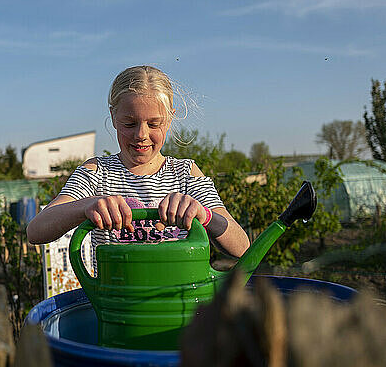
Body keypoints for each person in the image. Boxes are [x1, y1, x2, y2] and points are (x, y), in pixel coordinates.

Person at [27, 65, 249, 265]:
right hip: (115, 304)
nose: (141, 135)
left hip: (176, 302)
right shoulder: (97, 172)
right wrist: (88, 205)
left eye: (154, 123)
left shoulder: (186, 173)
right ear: (114, 117)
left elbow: (241, 247)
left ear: (170, 119)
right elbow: (36, 231)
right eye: (129, 123)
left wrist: (204, 215)